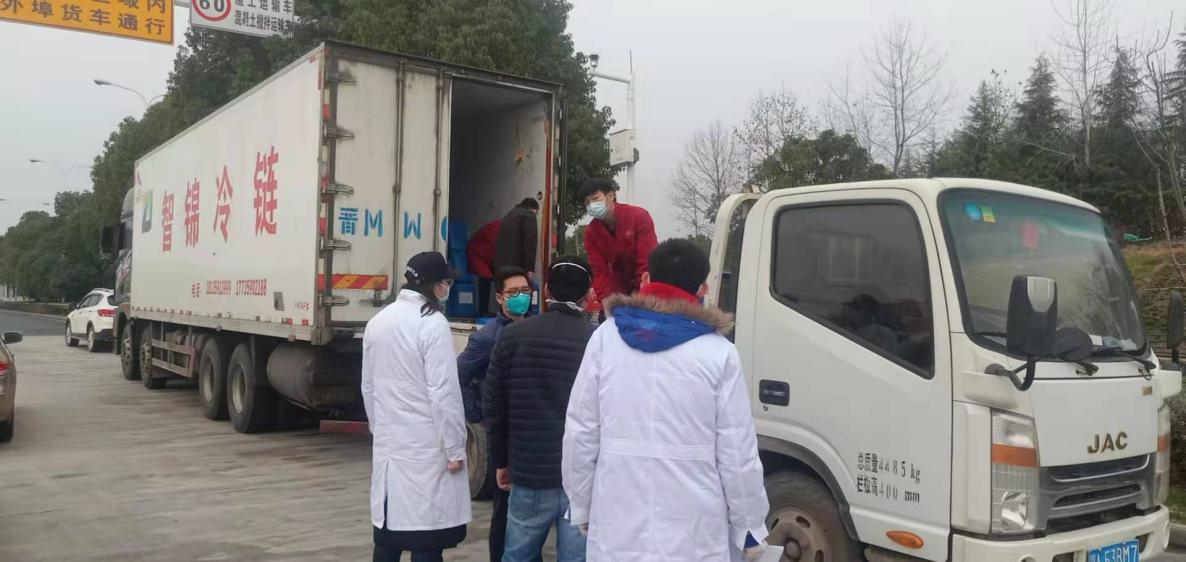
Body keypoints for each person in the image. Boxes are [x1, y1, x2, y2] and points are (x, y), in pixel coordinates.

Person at [562, 239, 770, 562]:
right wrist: (749, 526)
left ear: (646, 279)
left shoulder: (606, 338)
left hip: (617, 518)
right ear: (702, 288)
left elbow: (581, 431)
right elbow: (737, 451)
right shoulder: (719, 353)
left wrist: (581, 504)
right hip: (693, 529)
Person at [361, 251, 470, 562]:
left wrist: (378, 429)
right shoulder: (432, 323)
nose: (447, 288)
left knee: (389, 537)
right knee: (426, 539)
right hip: (427, 451)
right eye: (446, 282)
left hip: (391, 449)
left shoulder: (378, 322)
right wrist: (455, 449)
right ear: (435, 285)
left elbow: (368, 387)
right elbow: (444, 393)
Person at [485, 257, 596, 562]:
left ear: (545, 290)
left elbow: (494, 406)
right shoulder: (597, 340)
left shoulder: (512, 336)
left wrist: (501, 461)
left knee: (518, 556)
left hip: (529, 472)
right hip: (581, 480)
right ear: (588, 295)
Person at [454, 266, 534, 562]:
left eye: (524, 292)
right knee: (504, 509)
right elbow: (459, 375)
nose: (520, 297)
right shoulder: (488, 337)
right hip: (504, 434)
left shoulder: (535, 328)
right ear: (500, 297)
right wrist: (477, 414)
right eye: (513, 293)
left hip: (532, 433)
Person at [580, 178, 659, 307]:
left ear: (611, 196)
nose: (591, 205)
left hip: (648, 287)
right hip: (618, 288)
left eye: (595, 199)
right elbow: (599, 271)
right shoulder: (591, 232)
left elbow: (647, 262)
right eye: (587, 202)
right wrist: (607, 301)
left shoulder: (639, 217)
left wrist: (643, 296)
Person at [494, 198, 540, 276]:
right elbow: (530, 243)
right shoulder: (529, 215)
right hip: (516, 267)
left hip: (501, 267)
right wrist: (530, 268)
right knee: (534, 284)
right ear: (534, 209)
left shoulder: (510, 214)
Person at [467, 220, 501, 314]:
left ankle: (493, 310)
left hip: (487, 256)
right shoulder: (497, 229)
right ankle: (483, 311)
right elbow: (497, 250)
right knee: (485, 278)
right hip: (477, 253)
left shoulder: (502, 227)